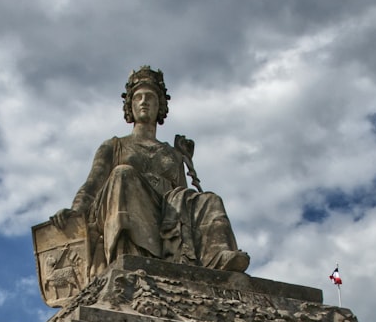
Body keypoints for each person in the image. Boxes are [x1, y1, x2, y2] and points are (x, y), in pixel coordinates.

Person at [51, 66, 249, 280]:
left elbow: (181, 194)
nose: (144, 102)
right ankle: (130, 257)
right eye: (138, 98)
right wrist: (75, 210)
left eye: (150, 98)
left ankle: (218, 258)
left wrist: (186, 162)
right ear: (130, 106)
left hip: (165, 212)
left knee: (209, 199)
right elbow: (92, 185)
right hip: (127, 203)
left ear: (160, 106)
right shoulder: (114, 146)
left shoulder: (172, 154)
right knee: (123, 174)